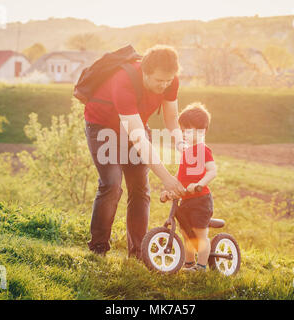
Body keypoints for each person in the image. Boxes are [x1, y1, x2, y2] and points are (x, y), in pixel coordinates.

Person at [84, 45, 186, 258]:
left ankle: (139, 252)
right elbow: (138, 138)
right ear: (145, 73)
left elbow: (171, 120)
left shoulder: (170, 80)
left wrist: (182, 146)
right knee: (111, 184)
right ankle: (98, 248)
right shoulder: (124, 80)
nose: (165, 85)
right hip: (103, 129)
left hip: (136, 124)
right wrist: (166, 178)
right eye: (159, 81)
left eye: (168, 80)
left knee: (140, 188)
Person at [161, 102, 217, 271]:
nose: (184, 133)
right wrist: (170, 191)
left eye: (189, 130)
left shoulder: (203, 150)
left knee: (200, 235)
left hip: (200, 200)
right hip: (185, 200)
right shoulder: (186, 152)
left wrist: (199, 185)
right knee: (186, 234)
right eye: (183, 130)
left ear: (202, 131)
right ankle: (189, 263)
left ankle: (201, 267)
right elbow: (180, 177)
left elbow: (212, 171)